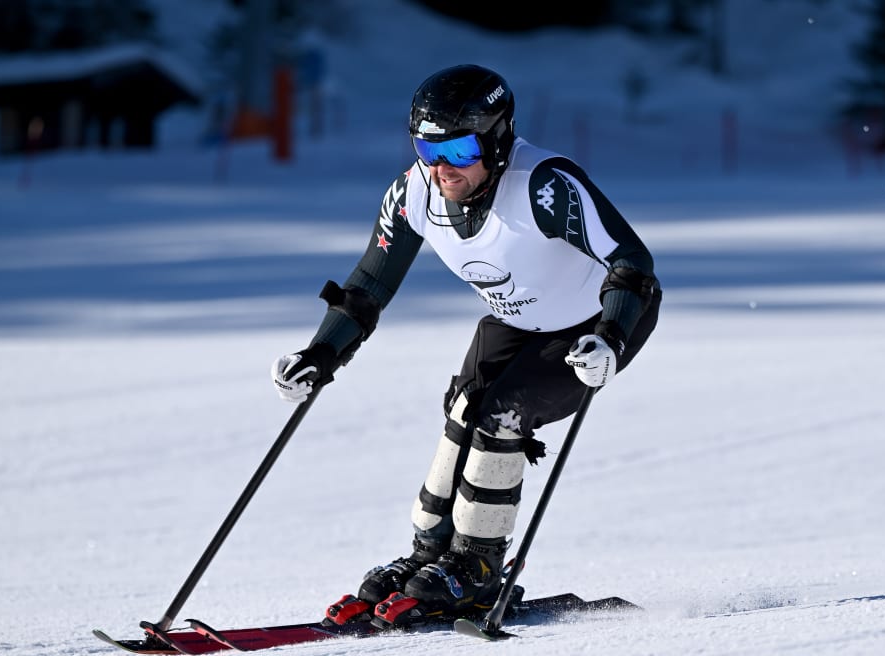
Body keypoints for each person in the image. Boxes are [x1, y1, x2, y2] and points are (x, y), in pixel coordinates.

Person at [271, 64, 661, 622]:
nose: (440, 169)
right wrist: (319, 356)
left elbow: (631, 264)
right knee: (462, 410)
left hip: (597, 323)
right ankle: (429, 557)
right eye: (427, 151)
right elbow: (368, 288)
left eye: (457, 152)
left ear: (497, 140)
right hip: (515, 320)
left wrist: (612, 339)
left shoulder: (544, 186)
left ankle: (477, 568)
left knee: (502, 416)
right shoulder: (413, 194)